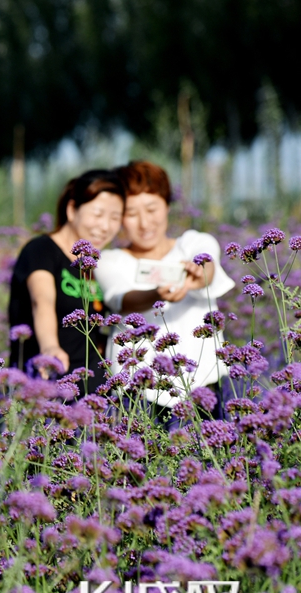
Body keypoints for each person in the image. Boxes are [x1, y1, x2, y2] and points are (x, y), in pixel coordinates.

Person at [94, 160, 234, 414]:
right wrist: (157, 294)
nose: (144, 223)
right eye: (131, 213)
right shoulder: (108, 260)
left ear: (167, 206)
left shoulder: (193, 243)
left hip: (201, 387)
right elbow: (120, 298)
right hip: (137, 395)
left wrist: (199, 274)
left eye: (152, 209)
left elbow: (207, 266)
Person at [8, 169, 125, 396]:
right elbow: (41, 301)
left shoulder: (100, 264)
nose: (105, 226)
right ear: (72, 210)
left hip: (94, 394)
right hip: (45, 383)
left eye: (115, 218)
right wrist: (50, 346)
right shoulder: (41, 250)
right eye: (98, 214)